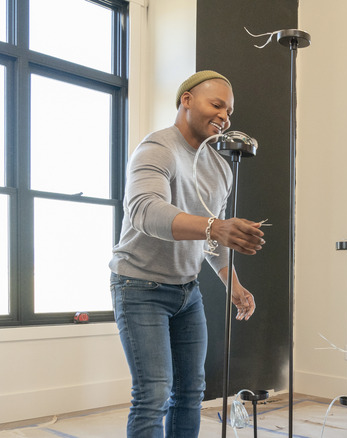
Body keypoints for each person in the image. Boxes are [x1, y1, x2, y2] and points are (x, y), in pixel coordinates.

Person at [109, 70, 266, 437]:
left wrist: (234, 285)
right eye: (217, 104)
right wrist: (214, 227)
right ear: (186, 100)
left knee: (191, 391)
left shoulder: (220, 168)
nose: (225, 116)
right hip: (139, 287)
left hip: (186, 292)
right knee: (153, 393)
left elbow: (215, 238)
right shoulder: (156, 148)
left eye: (229, 110)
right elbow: (145, 211)